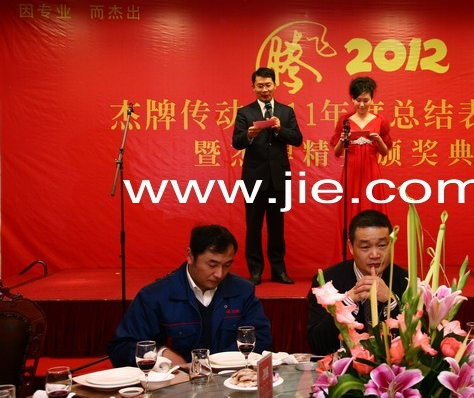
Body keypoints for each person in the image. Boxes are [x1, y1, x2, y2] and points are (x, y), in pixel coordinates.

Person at [107, 225, 272, 367]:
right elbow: (122, 347)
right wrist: (161, 354)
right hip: (174, 384)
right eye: (212, 265)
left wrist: (221, 365)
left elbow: (261, 338)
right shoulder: (155, 296)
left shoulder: (243, 291)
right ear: (190, 256)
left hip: (229, 379)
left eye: (227, 265)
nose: (219, 274)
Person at [232, 67, 303, 285]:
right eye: (260, 86)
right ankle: (255, 271)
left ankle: (279, 270)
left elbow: (297, 138)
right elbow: (236, 142)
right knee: (253, 226)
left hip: (278, 179)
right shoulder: (245, 112)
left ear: (275, 85)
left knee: (276, 226)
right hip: (254, 179)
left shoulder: (285, 112)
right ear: (253, 87)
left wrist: (281, 129)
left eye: (268, 85)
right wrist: (249, 135)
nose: (264, 90)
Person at [307, 210, 408, 356]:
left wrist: (391, 302)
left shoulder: (406, 281)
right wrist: (345, 304)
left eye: (382, 245)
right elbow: (317, 345)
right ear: (351, 247)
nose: (375, 255)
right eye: (365, 247)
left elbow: (415, 345)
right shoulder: (328, 281)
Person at [330, 77, 392, 230]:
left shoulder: (380, 121)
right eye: (358, 100)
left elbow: (384, 152)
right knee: (350, 210)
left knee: (372, 207)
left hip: (371, 171)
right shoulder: (345, 121)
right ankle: (350, 245)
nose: (362, 104)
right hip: (351, 172)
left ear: (372, 99)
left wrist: (378, 140)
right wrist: (343, 139)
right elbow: (337, 153)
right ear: (352, 99)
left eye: (366, 100)